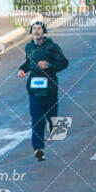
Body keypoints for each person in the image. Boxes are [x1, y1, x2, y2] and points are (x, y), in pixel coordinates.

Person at [18, 21, 69, 162]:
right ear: (31, 31)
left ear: (44, 31)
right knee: (36, 119)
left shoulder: (52, 47)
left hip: (50, 88)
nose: (36, 31)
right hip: (34, 89)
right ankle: (38, 149)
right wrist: (22, 69)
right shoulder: (29, 47)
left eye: (39, 28)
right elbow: (28, 63)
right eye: (34, 28)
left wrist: (49, 65)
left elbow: (64, 63)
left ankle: (51, 123)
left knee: (52, 118)